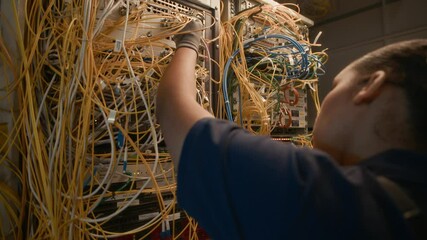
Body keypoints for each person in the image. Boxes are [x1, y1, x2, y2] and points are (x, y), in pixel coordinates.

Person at [156, 20, 427, 240]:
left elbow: (173, 108)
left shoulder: (327, 203)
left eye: (334, 86)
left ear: (370, 86)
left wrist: (189, 40)